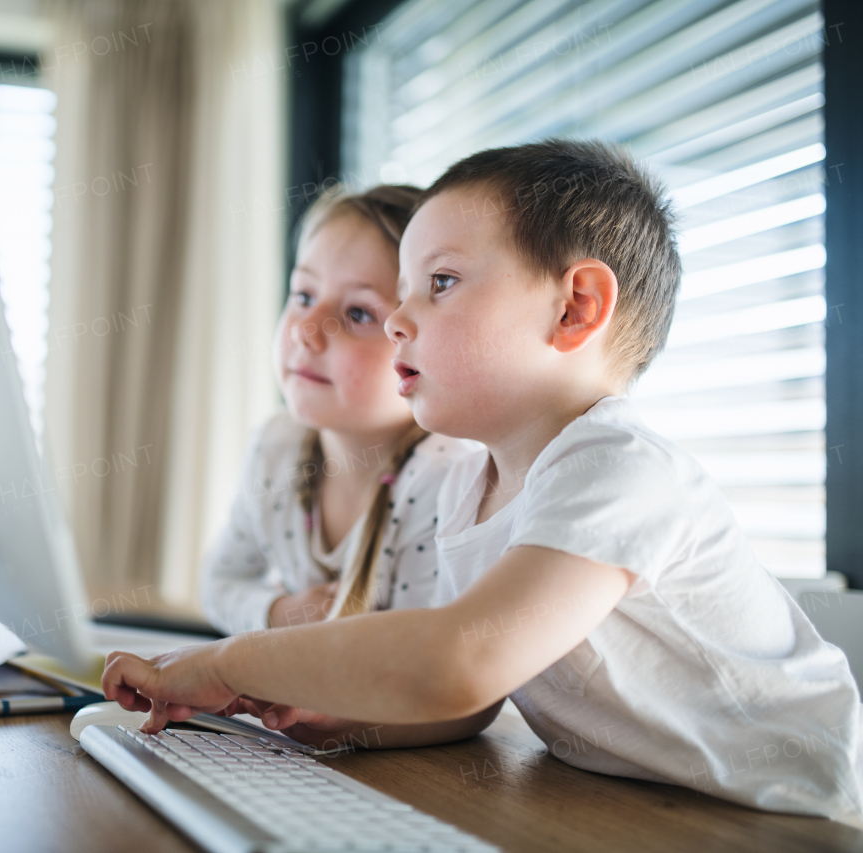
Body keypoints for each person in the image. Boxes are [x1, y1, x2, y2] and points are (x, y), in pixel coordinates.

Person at [102, 140, 863, 825]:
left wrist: (225, 662)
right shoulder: (475, 483)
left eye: (439, 282)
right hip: (632, 802)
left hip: (795, 809)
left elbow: (459, 660)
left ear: (574, 308)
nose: (400, 319)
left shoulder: (619, 467)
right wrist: (353, 713)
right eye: (400, 294)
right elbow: (471, 699)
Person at [200, 186, 475, 635]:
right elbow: (218, 583)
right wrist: (276, 614)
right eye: (304, 295)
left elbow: (415, 666)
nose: (307, 330)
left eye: (358, 313)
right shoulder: (276, 447)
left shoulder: (443, 484)